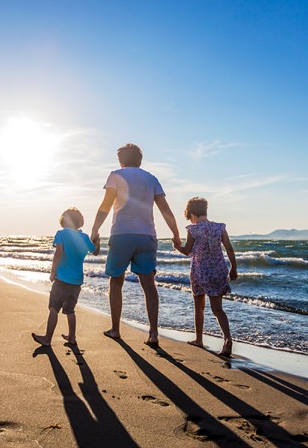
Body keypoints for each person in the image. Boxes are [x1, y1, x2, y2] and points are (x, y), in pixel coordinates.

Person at [90, 143, 181, 347]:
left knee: (116, 281)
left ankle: (115, 329)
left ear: (121, 161)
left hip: (122, 233)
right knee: (149, 285)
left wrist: (95, 229)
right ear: (140, 160)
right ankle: (154, 333)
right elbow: (165, 209)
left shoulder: (116, 175)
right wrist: (175, 233)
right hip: (147, 235)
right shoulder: (151, 178)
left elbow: (106, 205)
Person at [173, 197, 237, 357]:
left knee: (199, 306)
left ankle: (199, 339)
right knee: (218, 309)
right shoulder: (219, 228)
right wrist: (233, 268)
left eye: (190, 218)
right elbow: (229, 248)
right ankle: (227, 339)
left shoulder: (193, 229)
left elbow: (188, 251)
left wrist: (176, 246)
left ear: (192, 215)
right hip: (218, 271)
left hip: (200, 272)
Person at [32, 207, 100, 347]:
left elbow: (58, 253)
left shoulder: (61, 234)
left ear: (64, 220)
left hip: (62, 279)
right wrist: (97, 242)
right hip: (76, 282)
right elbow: (96, 252)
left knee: (54, 308)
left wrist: (52, 271)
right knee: (70, 310)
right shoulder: (84, 237)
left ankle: (47, 338)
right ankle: (72, 337)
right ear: (80, 222)